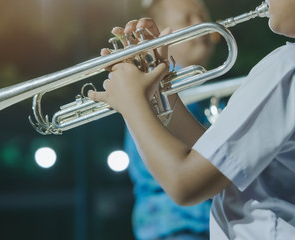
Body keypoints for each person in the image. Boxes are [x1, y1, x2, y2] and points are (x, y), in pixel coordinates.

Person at [89, 0, 295, 239]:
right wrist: (159, 91)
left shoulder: (285, 67)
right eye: (187, 19)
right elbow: (225, 172)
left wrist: (131, 102)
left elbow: (184, 183)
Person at [113, 0, 218, 239]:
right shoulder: (160, 88)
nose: (200, 24)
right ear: (158, 33)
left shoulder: (210, 89)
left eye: (203, 16)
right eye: (187, 19)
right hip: (178, 228)